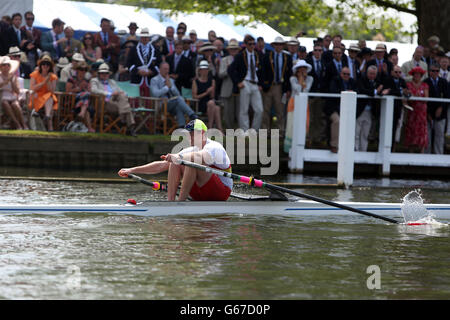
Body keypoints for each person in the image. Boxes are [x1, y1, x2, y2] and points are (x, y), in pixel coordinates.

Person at [118, 119, 232, 201]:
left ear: (202, 134)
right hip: (201, 192)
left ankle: (180, 202)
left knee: (191, 161)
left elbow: (200, 156)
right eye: (189, 134)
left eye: (193, 134)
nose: (189, 137)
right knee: (175, 162)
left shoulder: (214, 146)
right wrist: (131, 170)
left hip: (220, 193)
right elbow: (161, 165)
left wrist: (178, 157)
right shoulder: (190, 150)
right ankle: (171, 202)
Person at [228, 34, 264, 133]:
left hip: (255, 83)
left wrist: (261, 83)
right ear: (246, 44)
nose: (252, 46)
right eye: (250, 44)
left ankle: (254, 131)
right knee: (244, 109)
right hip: (245, 82)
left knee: (259, 110)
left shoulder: (258, 55)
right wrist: (238, 82)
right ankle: (244, 131)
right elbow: (230, 70)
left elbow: (262, 71)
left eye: (254, 44)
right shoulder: (240, 55)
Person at [89, 63, 137, 136]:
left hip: (116, 102)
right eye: (102, 73)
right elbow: (93, 90)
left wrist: (121, 93)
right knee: (127, 108)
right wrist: (109, 94)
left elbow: (122, 91)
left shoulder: (112, 81)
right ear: (99, 74)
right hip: (103, 103)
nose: (104, 75)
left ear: (109, 74)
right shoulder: (94, 80)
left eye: (106, 73)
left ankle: (124, 119)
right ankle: (130, 127)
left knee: (122, 95)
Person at [150, 62, 197, 128]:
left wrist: (171, 87)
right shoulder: (154, 80)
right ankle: (192, 115)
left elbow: (177, 93)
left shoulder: (171, 80)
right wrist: (166, 88)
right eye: (165, 69)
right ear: (160, 70)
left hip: (171, 104)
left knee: (179, 106)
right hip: (161, 104)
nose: (166, 71)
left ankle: (181, 127)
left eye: (167, 69)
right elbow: (155, 94)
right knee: (178, 99)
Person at [260, 36, 292, 132]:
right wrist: (263, 84)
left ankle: (280, 130)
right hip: (269, 86)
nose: (278, 46)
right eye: (277, 44)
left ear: (283, 46)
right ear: (274, 46)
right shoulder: (267, 56)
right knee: (266, 109)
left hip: (280, 86)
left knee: (280, 110)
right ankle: (265, 130)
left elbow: (289, 74)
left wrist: (288, 89)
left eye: (280, 44)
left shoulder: (287, 57)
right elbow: (262, 72)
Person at [325, 67, 358, 153]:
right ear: (340, 74)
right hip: (333, 109)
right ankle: (334, 145)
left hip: (347, 110)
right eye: (344, 74)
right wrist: (346, 91)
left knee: (351, 122)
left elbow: (358, 90)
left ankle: (349, 145)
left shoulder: (352, 81)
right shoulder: (335, 80)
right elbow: (333, 91)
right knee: (337, 121)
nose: (346, 76)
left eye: (348, 74)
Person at [355, 65, 388, 152]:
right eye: (370, 73)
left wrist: (381, 92)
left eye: (374, 74)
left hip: (370, 111)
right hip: (360, 110)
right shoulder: (361, 80)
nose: (372, 75)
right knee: (357, 132)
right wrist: (375, 91)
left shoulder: (377, 82)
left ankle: (363, 151)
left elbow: (381, 92)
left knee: (366, 133)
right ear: (367, 73)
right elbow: (362, 90)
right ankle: (355, 150)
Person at [284, 60, 313, 153]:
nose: (302, 71)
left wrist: (303, 80)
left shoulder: (310, 79)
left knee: (304, 123)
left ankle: (301, 146)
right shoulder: (292, 79)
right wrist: (300, 79)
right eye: (300, 69)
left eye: (304, 69)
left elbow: (306, 91)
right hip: (294, 102)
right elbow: (298, 90)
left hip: (304, 102)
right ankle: (290, 148)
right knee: (292, 124)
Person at [127, 27, 162, 97]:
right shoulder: (133, 49)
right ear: (140, 38)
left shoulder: (155, 50)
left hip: (150, 80)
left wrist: (151, 72)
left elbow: (159, 64)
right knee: (136, 100)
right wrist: (137, 71)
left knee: (149, 102)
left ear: (149, 38)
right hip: (136, 79)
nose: (145, 39)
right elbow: (129, 64)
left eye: (146, 37)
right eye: (143, 37)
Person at [29, 55, 58, 131]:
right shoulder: (35, 74)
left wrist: (48, 80)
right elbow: (32, 88)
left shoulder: (53, 76)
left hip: (48, 97)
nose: (45, 66)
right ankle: (50, 125)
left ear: (50, 67)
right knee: (49, 100)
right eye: (43, 64)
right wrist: (43, 82)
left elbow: (52, 90)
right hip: (37, 96)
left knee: (49, 97)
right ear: (40, 65)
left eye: (48, 64)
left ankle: (47, 116)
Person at [192, 60, 223, 131]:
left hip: (210, 103)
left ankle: (218, 129)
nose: (204, 71)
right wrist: (206, 92)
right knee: (212, 104)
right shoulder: (195, 82)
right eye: (203, 70)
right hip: (200, 103)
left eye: (206, 70)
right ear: (199, 71)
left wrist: (212, 90)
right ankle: (211, 127)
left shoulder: (212, 81)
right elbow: (194, 96)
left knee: (216, 107)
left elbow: (212, 96)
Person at [424, 64, 448, 154]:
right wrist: (428, 113)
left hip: (441, 114)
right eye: (433, 71)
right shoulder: (425, 82)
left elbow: (447, 97)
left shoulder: (444, 82)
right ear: (429, 72)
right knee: (428, 136)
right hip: (428, 113)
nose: (435, 73)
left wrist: (441, 108)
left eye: (437, 71)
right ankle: (427, 155)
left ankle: (439, 155)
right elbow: (424, 99)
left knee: (440, 135)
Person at [404, 67, 429, 153]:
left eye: (419, 74)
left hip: (422, 111)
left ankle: (421, 151)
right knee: (411, 129)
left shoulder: (424, 85)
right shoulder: (408, 85)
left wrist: (418, 97)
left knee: (422, 130)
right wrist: (414, 97)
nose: (417, 76)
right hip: (412, 111)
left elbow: (426, 99)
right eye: (415, 74)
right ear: (413, 75)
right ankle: (411, 151)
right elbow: (407, 98)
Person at [65, 61, 95, 133]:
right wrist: (78, 89)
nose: (83, 71)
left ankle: (82, 113)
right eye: (81, 69)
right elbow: (67, 91)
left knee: (86, 97)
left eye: (85, 70)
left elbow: (90, 92)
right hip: (73, 101)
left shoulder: (87, 81)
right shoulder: (71, 79)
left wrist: (87, 88)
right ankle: (89, 126)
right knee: (85, 95)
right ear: (77, 70)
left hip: (83, 104)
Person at [0, 55, 28, 130]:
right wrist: (6, 81)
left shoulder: (13, 77)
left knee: (15, 105)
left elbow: (17, 91)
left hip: (12, 96)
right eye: (4, 65)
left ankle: (24, 124)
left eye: (8, 65)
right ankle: (17, 123)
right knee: (5, 103)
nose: (6, 67)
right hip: (2, 96)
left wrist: (12, 82)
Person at [218, 39, 240, 129]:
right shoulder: (224, 60)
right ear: (229, 50)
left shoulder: (241, 59)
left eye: (235, 49)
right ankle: (229, 130)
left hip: (239, 89)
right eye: (232, 49)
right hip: (227, 89)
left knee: (239, 111)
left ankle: (238, 130)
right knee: (228, 113)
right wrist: (229, 70)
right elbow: (220, 74)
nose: (233, 50)